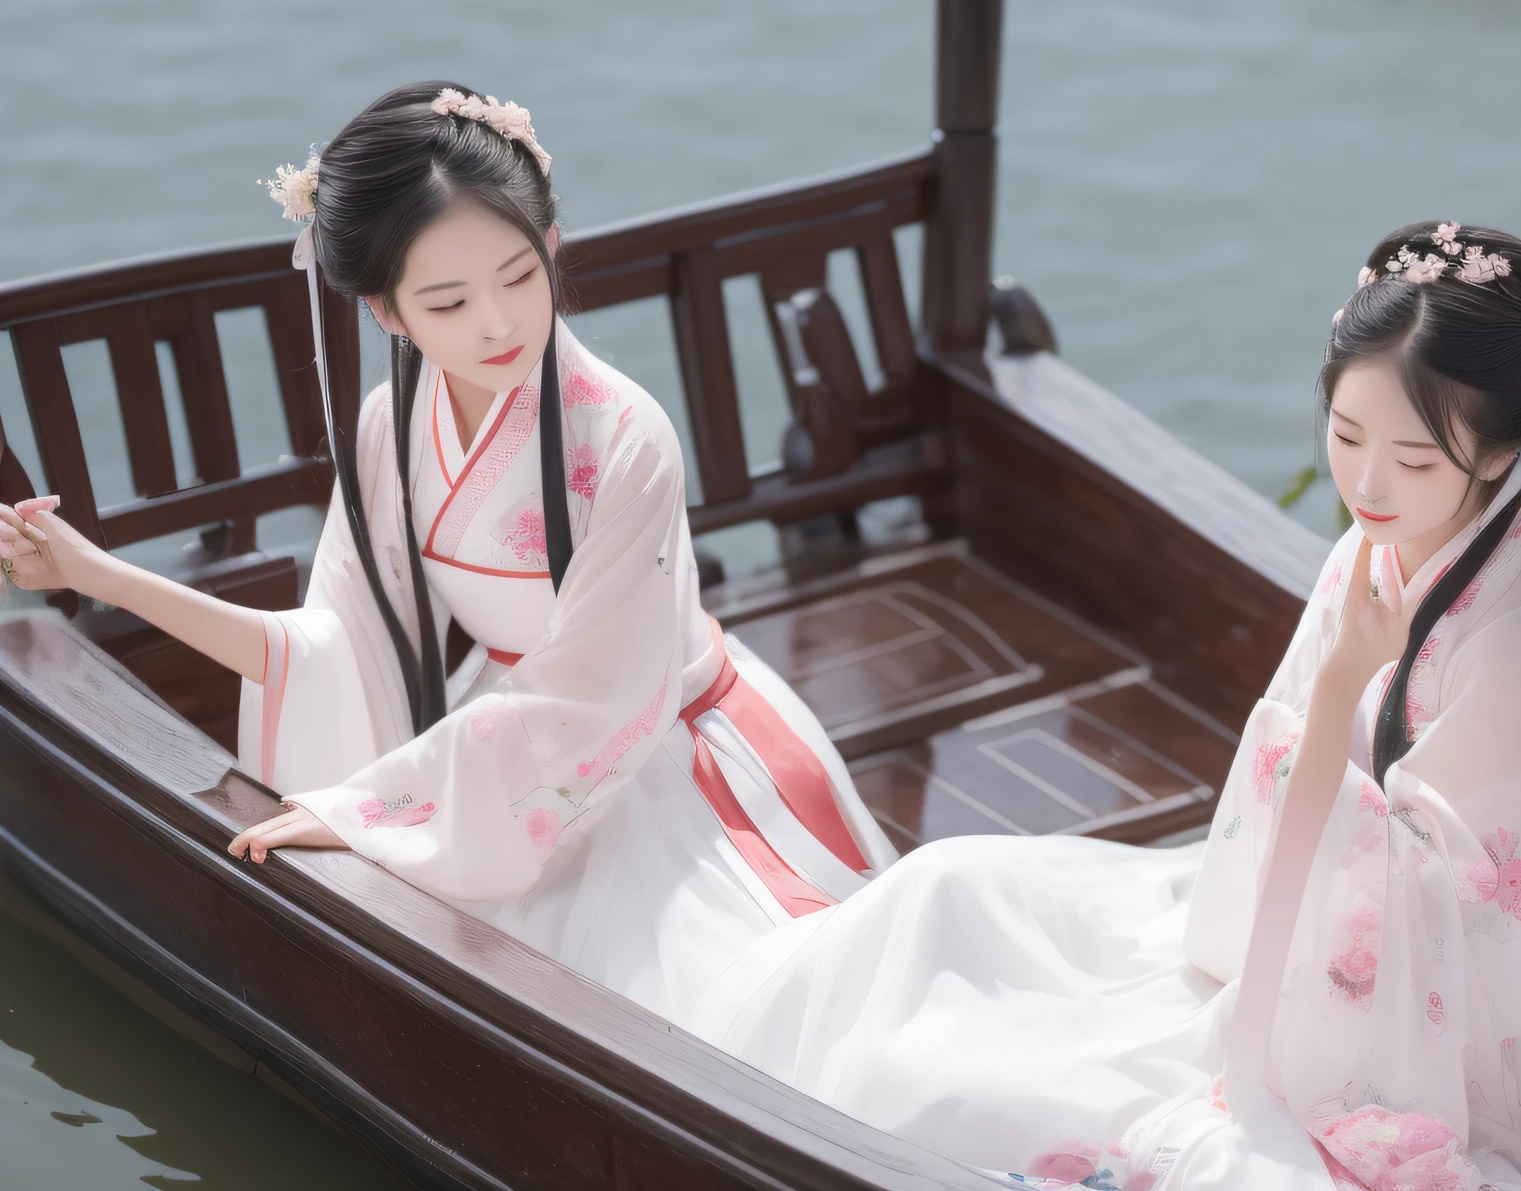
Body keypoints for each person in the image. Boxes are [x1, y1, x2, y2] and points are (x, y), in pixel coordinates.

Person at [693, 222, 1521, 1191]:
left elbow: (1441, 920)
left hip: (1460, 1039)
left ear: (1498, 457)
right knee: (944, 890)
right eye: (1346, 434)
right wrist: (1336, 703)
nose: (1364, 481)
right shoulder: (1375, 547)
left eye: (1409, 459)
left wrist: (1344, 684)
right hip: (1305, 935)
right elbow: (1302, 810)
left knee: (963, 1079)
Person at [0, 83, 892, 1023]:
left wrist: (372, 809)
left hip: (649, 748)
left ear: (551, 245)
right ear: (388, 314)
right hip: (503, 749)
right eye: (449, 300)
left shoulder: (628, 438)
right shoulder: (393, 427)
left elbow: (590, 698)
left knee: (750, 1019)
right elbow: (329, 649)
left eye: (518, 276)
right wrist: (95, 574)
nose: (499, 324)